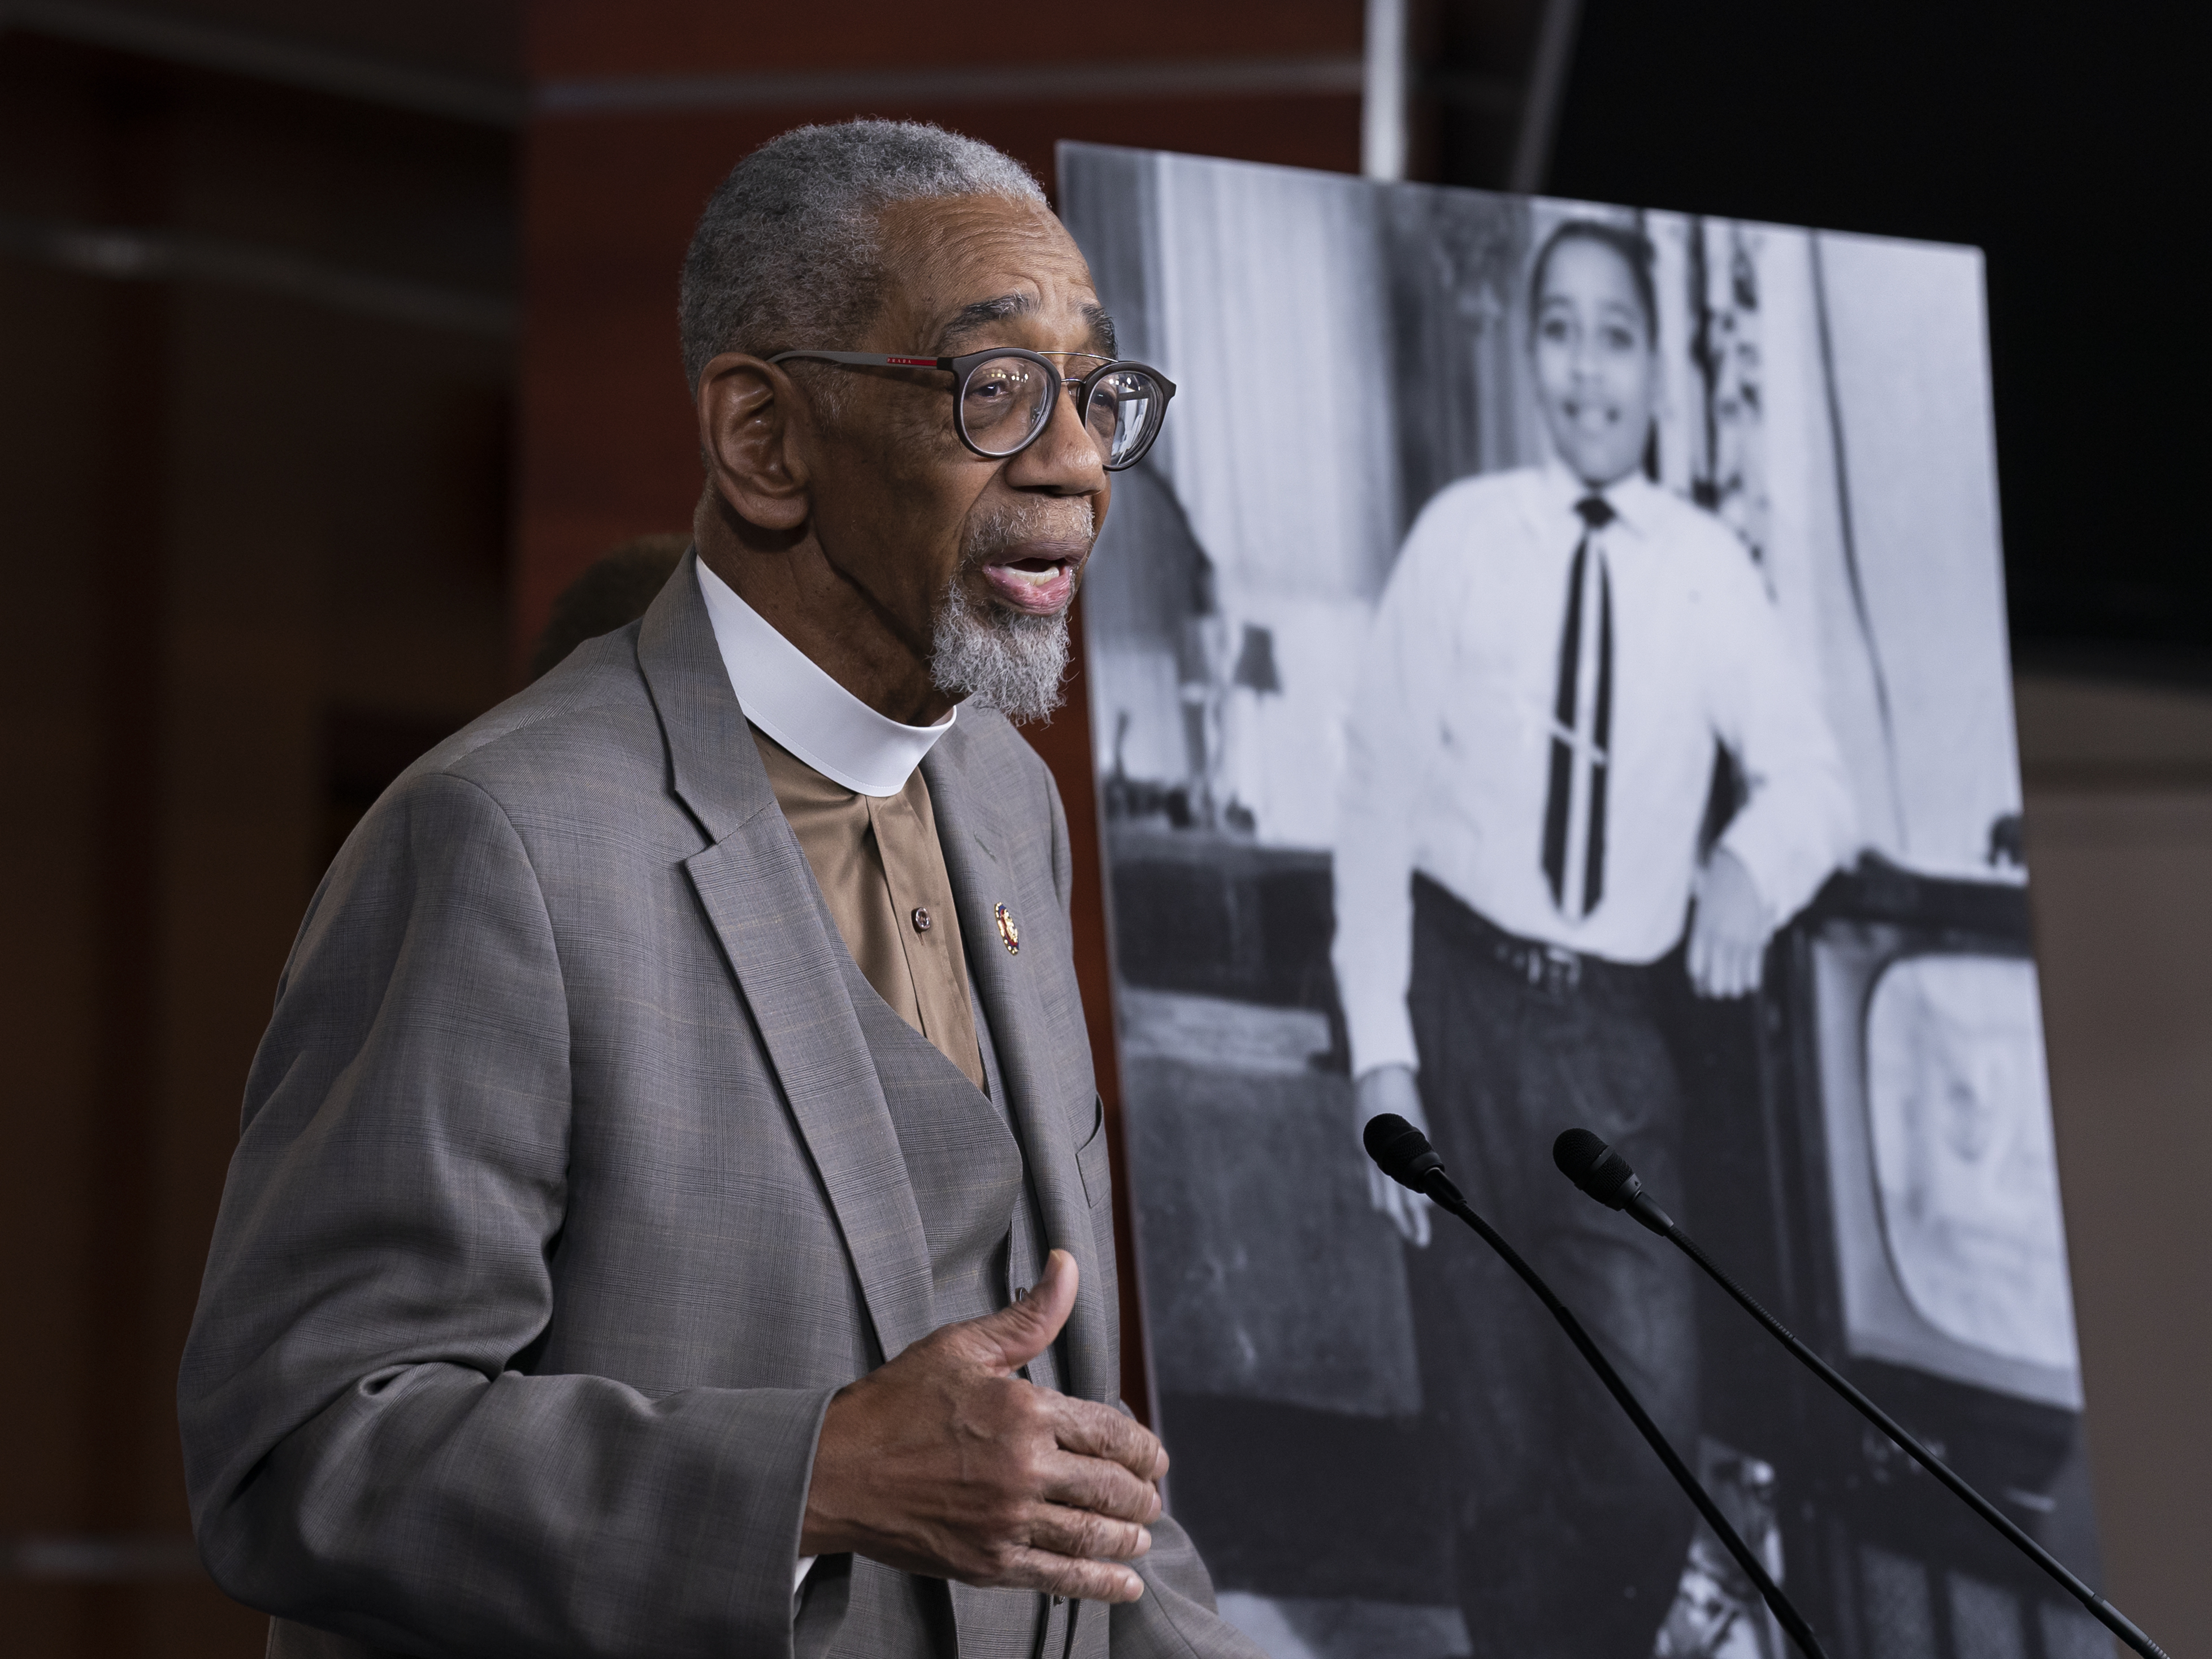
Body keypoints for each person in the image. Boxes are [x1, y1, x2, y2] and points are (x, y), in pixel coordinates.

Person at [179, 120, 1246, 1659]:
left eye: (1094, 392)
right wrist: (812, 1478)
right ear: (764, 440)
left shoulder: (1007, 800)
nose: (1077, 459)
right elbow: (299, 1451)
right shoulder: (504, 839)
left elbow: (1061, 1472)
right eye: (996, 387)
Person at [1330, 219, 1857, 1656]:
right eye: (1557, 328)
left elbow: (1817, 779)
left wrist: (1748, 869)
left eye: (1614, 333)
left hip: (1617, 1042)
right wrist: (1382, 1057)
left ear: (1656, 369)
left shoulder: (1709, 570)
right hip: (1458, 1011)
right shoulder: (1459, 539)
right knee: (1494, 1469)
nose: (1584, 365)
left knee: (1646, 1452)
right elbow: (1372, 801)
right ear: (1528, 351)